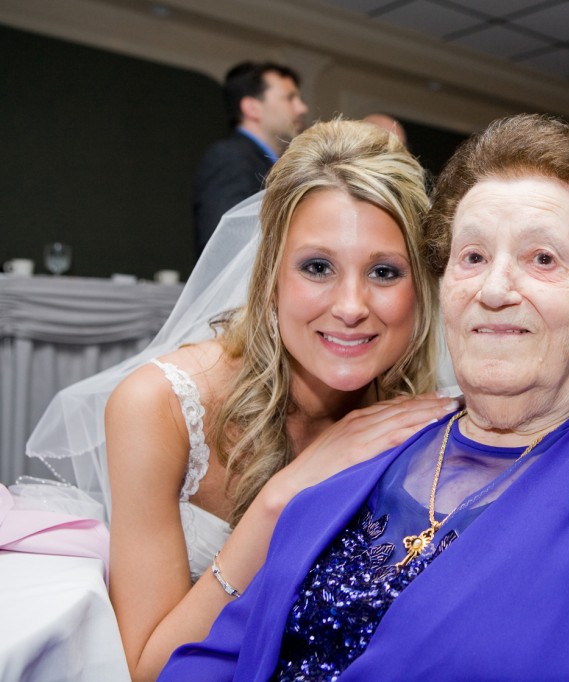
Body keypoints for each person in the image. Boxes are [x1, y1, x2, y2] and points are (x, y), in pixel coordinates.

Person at [159, 114, 569, 681]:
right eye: (472, 256)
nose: (496, 288)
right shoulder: (368, 446)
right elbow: (213, 659)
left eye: (542, 258)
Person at [27, 120, 458, 681]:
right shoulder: (159, 406)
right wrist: (281, 500)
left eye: (383, 272)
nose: (351, 305)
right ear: (271, 275)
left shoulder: (420, 413)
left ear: (420, 288)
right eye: (318, 267)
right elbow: (147, 669)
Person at [193, 61, 309, 258]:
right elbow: (224, 245)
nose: (302, 108)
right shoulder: (230, 156)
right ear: (252, 108)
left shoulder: (276, 165)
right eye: (290, 98)